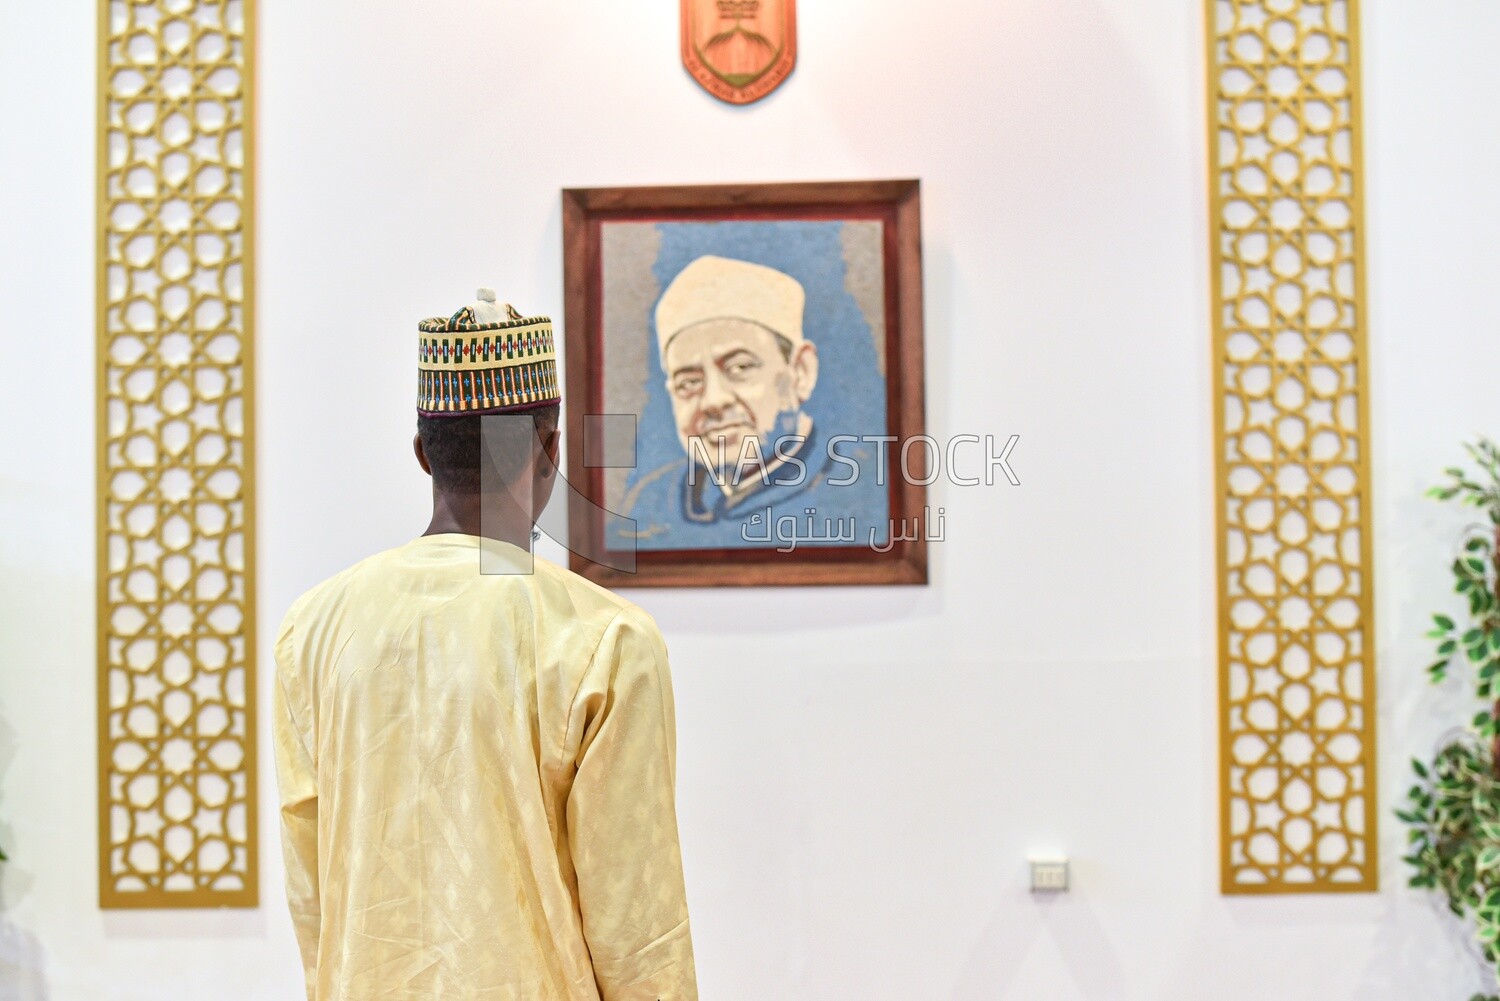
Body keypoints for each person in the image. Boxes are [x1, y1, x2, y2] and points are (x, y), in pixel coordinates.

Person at [272, 288, 697, 1001]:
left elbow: (314, 899)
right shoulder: (604, 640)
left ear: (421, 453)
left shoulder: (313, 630)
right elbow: (638, 930)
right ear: (549, 449)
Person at [620, 254, 888, 547]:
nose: (713, 400)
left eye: (740, 368)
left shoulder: (864, 486)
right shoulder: (650, 502)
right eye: (689, 382)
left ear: (801, 372)